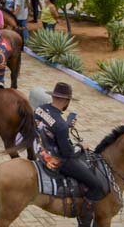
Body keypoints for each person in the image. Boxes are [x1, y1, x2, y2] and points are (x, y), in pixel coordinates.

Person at [34, 82, 104, 227]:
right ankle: (84, 221)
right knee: (97, 186)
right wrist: (80, 146)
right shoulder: (61, 125)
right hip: (55, 160)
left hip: (39, 151)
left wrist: (67, 126)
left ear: (53, 96)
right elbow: (68, 153)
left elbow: (52, 126)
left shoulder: (40, 109)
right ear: (66, 101)